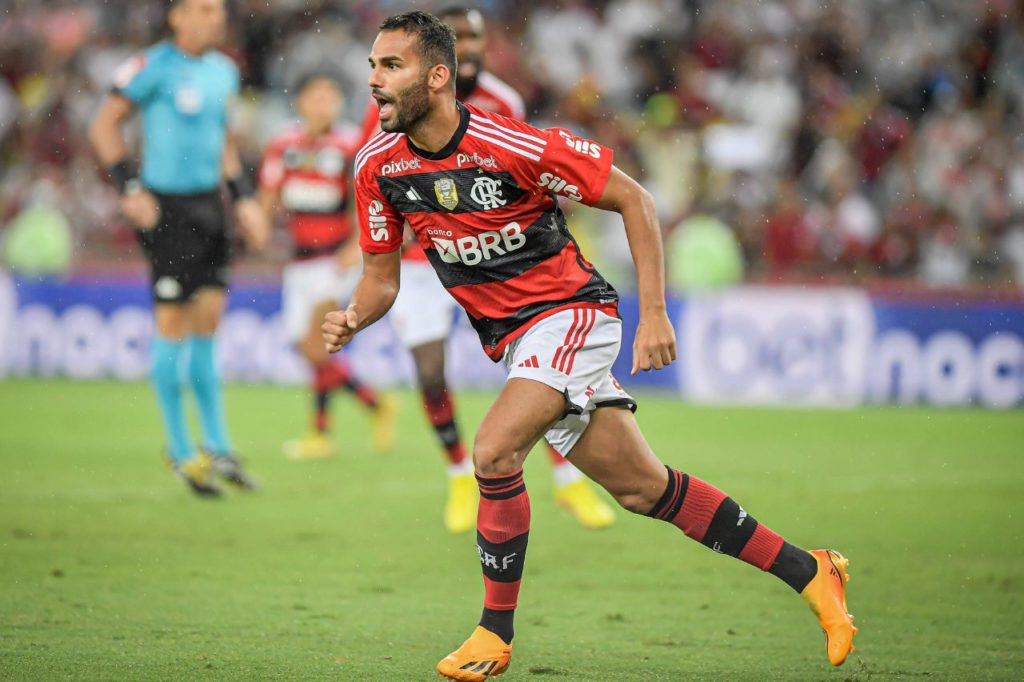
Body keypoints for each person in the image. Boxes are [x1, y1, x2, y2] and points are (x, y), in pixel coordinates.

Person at [325, 11, 857, 680]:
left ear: (438, 77)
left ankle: (494, 634)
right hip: (518, 342)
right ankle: (811, 572)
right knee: (643, 489)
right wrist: (351, 317)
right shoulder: (378, 166)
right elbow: (380, 280)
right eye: (372, 65)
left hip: (572, 312)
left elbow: (634, 200)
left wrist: (654, 313)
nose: (373, 79)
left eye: (389, 66)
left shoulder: (512, 143)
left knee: (493, 450)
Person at [357, 5, 615, 535]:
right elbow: (372, 175)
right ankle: (458, 474)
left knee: (537, 383)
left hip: (500, 262)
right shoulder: (391, 105)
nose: (472, 47)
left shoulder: (504, 104)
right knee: (431, 373)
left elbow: (529, 175)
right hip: (423, 260)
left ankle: (567, 482)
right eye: (463, 38)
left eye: (476, 37)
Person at [89, 0, 264, 496]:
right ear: (177, 17)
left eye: (218, 10)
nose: (216, 17)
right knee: (172, 322)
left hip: (211, 208)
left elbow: (224, 142)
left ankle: (217, 444)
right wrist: (129, 187)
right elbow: (103, 125)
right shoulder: (151, 66)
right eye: (204, 9)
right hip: (166, 210)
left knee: (208, 320)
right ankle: (180, 449)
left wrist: (245, 199)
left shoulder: (224, 71)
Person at [256, 73, 395, 460]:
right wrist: (258, 223)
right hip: (297, 261)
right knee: (309, 349)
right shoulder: (284, 143)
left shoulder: (351, 143)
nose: (323, 105)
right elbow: (268, 193)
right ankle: (374, 404)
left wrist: (355, 245)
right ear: (300, 103)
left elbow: (363, 199)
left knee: (317, 344)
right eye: (316, 97)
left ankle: (320, 433)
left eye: (330, 98)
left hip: (335, 258)